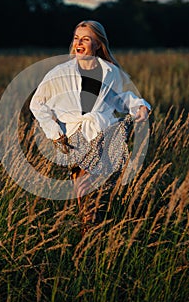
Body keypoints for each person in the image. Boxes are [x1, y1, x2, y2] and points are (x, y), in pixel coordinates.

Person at [30, 20, 150, 232]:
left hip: (103, 134)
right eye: (76, 38)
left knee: (97, 193)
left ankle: (93, 235)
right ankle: (89, 236)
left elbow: (118, 99)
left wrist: (140, 106)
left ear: (97, 44)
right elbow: (37, 103)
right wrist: (54, 131)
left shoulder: (110, 72)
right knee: (83, 189)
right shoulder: (60, 72)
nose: (79, 42)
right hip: (73, 136)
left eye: (86, 39)